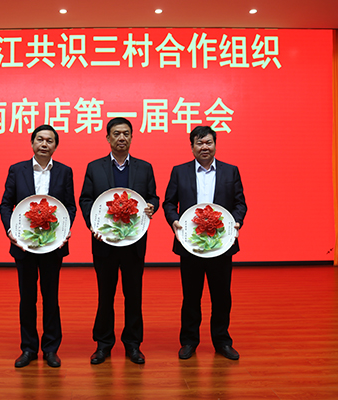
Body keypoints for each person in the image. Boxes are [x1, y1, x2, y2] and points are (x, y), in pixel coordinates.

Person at [163, 125, 247, 360]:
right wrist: (174, 221)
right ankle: (189, 341)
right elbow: (169, 203)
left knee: (222, 296)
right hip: (191, 243)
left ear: (215, 145)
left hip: (221, 244)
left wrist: (236, 222)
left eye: (208, 142)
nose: (204, 147)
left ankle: (222, 341)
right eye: (199, 143)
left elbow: (240, 204)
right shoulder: (179, 171)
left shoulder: (231, 171)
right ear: (192, 147)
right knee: (191, 296)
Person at [79, 117, 159, 365]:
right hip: (104, 242)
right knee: (105, 295)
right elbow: (85, 200)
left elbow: (153, 197)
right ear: (108, 138)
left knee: (133, 295)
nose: (121, 138)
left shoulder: (145, 167)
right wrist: (93, 225)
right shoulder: (94, 167)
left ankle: (133, 345)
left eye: (126, 133)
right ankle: (103, 345)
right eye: (116, 134)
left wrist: (151, 206)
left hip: (134, 242)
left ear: (132, 137)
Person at [0, 125, 76, 368]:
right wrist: (11, 232)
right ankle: (29, 348)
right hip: (24, 246)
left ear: (55, 146)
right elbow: (5, 205)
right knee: (27, 298)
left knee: (51, 298)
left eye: (49, 141)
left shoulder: (65, 171)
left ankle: (51, 349)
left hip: (53, 245)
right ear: (32, 143)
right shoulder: (17, 170)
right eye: (40, 139)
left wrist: (65, 229)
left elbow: (70, 206)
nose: (44, 144)